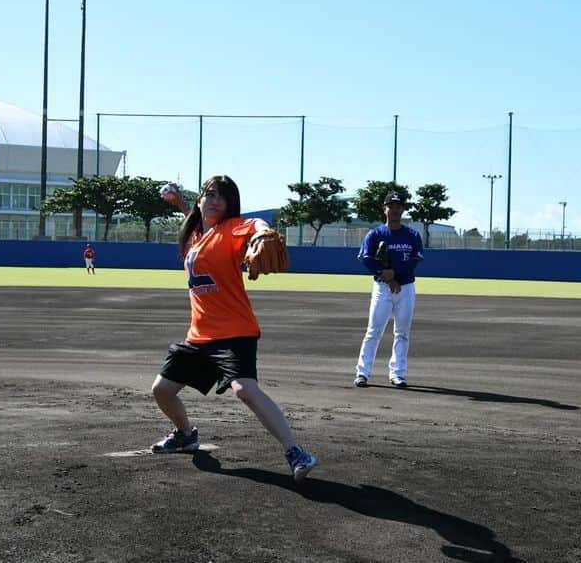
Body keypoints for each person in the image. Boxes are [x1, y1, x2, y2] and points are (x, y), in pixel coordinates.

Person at [149, 176, 318, 481]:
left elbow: (254, 226)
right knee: (162, 390)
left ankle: (295, 451)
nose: (215, 201)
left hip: (234, 332)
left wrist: (265, 232)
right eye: (210, 194)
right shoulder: (196, 236)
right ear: (200, 199)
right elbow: (195, 218)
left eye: (222, 197)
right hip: (198, 337)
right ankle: (185, 435)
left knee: (244, 389)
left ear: (229, 206)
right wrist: (180, 204)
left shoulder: (231, 229)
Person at [353, 192, 424, 389]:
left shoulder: (412, 235)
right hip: (383, 289)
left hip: (406, 288)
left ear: (403, 209)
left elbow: (415, 260)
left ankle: (397, 374)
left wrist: (394, 275)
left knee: (402, 333)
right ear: (385, 209)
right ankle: (362, 373)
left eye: (399, 206)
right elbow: (366, 258)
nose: (395, 209)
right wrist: (385, 276)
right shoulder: (375, 234)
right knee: (373, 331)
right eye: (391, 206)